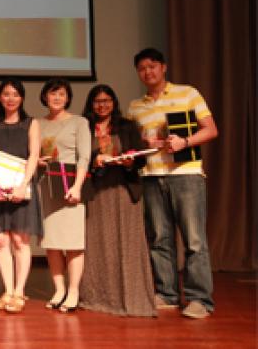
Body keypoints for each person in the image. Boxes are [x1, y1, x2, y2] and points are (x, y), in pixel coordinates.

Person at [127, 48, 218, 319]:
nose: (148, 72)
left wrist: (184, 142)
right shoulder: (136, 106)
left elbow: (211, 129)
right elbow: (134, 144)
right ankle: (167, 294)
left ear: (164, 67)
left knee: (193, 240)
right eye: (142, 68)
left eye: (153, 66)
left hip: (186, 174)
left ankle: (200, 299)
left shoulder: (187, 93)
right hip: (152, 176)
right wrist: (144, 144)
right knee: (159, 239)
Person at [79, 84, 156, 317]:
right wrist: (95, 159)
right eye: (97, 101)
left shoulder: (127, 125)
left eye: (107, 100)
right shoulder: (84, 127)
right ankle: (97, 296)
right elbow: (77, 157)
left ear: (114, 102)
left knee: (128, 243)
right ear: (91, 104)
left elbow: (141, 158)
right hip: (96, 192)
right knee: (98, 243)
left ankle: (132, 298)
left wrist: (131, 160)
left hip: (123, 189)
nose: (102, 105)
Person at [0, 79, 41, 314]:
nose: (11, 98)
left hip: (21, 188)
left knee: (19, 240)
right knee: (1, 240)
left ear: (22, 98)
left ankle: (19, 291)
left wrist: (22, 186)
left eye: (15, 94)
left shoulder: (30, 124)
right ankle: (7, 290)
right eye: (6, 94)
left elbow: (34, 155)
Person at [37, 77, 90, 313]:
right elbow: (32, 154)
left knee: (73, 242)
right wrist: (36, 160)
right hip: (46, 185)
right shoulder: (37, 123)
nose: (57, 98)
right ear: (45, 97)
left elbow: (84, 157)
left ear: (68, 97)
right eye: (52, 93)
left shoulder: (79, 122)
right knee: (52, 242)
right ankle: (59, 289)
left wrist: (77, 186)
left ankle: (74, 290)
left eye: (61, 94)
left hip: (70, 186)